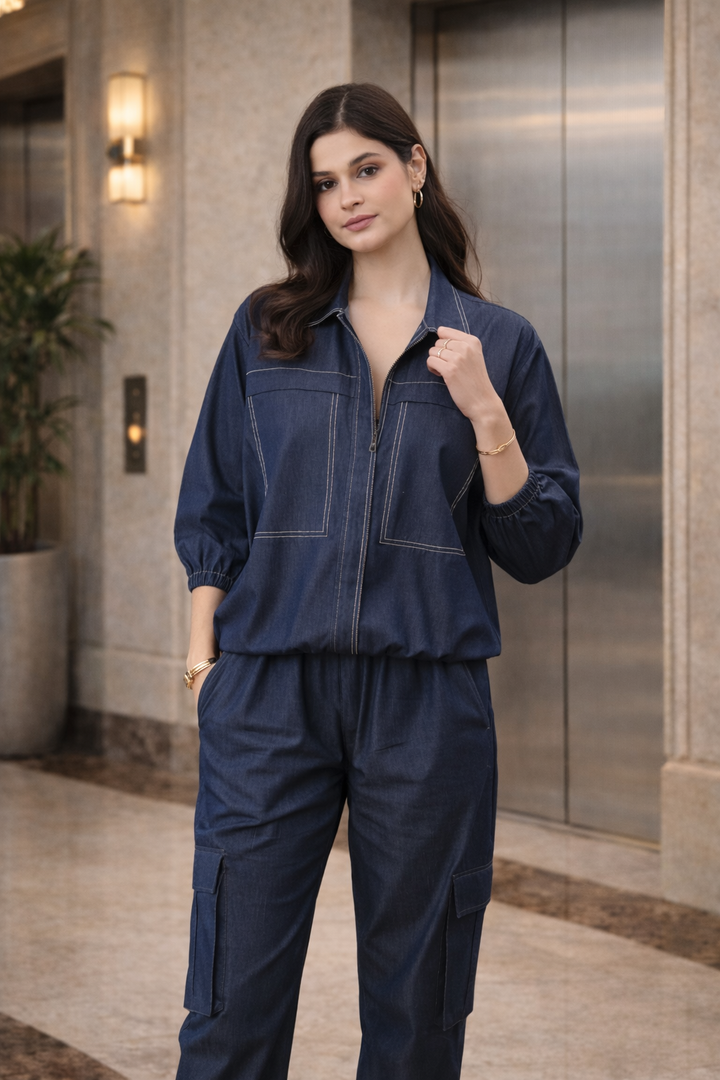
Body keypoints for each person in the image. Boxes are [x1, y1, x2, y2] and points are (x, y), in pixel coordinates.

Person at [173, 82, 581, 1080]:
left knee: (419, 1012)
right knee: (229, 1006)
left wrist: (485, 411)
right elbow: (215, 505)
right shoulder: (267, 329)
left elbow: (541, 543)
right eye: (325, 181)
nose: (348, 196)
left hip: (429, 700)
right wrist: (202, 664)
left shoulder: (499, 342)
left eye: (366, 167)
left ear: (415, 164)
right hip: (269, 690)